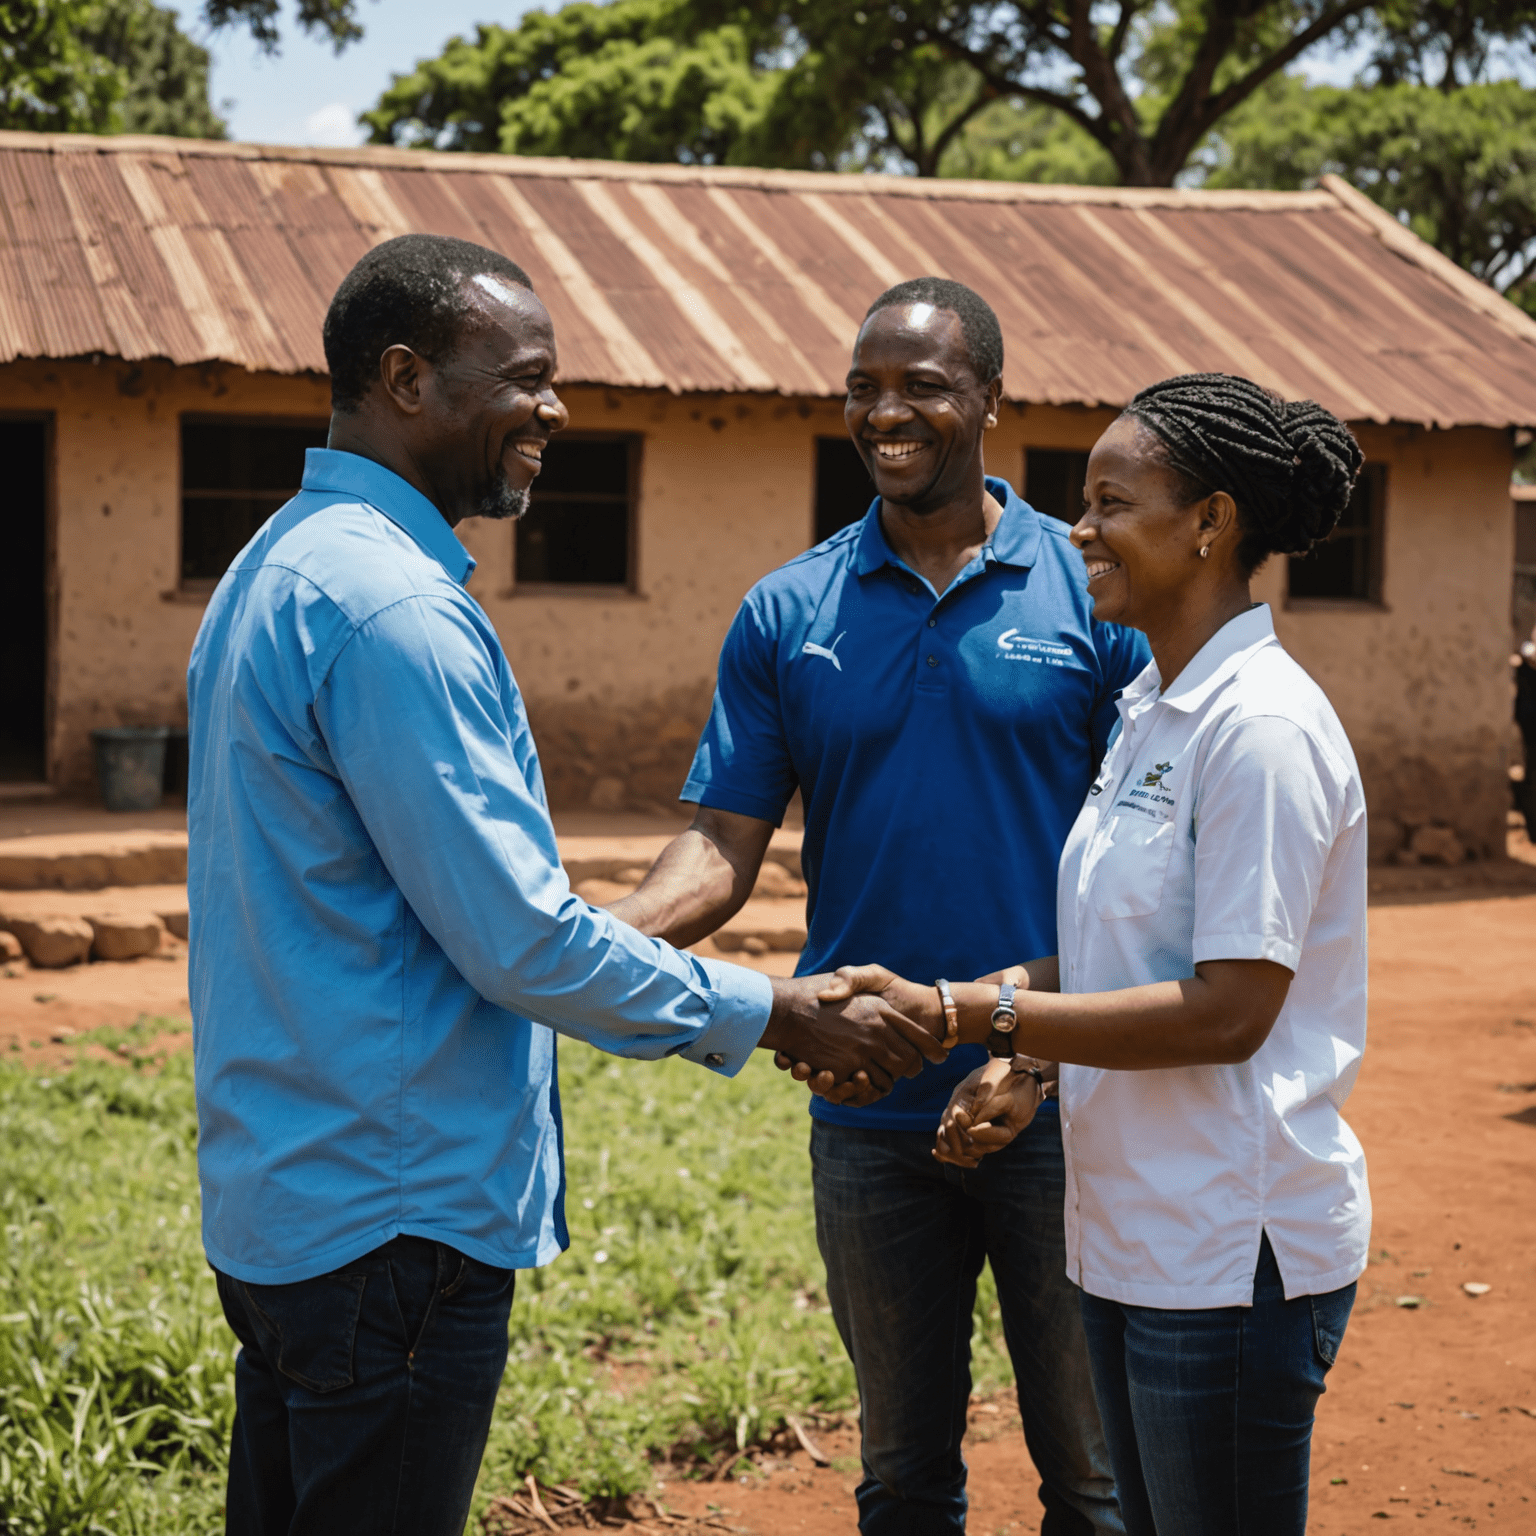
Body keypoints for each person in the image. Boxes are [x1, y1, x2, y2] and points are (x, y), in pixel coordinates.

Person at [185, 234, 941, 1536]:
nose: (556, 409)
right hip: (394, 1220)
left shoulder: (277, 567)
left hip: (287, 1195)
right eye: (524, 377)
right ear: (409, 379)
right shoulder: (394, 612)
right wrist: (780, 1012)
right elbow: (519, 943)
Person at [610, 278, 1148, 1534]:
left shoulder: (1089, 600)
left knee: (1096, 1476)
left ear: (991, 403)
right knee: (902, 1479)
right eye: (863, 388)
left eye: (920, 385)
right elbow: (718, 850)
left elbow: (1149, 874)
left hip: (1056, 1102)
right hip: (864, 1109)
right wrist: (574, 945)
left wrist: (1035, 1045)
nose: (885, 411)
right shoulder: (789, 611)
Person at [818, 373, 1371, 1536]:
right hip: (1132, 1235)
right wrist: (995, 1025)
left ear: (1210, 523)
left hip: (1229, 1249)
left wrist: (976, 1015)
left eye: (1113, 503)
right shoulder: (1148, 715)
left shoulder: (1258, 728)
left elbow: (1229, 1010)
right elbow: (1124, 957)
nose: (1080, 532)